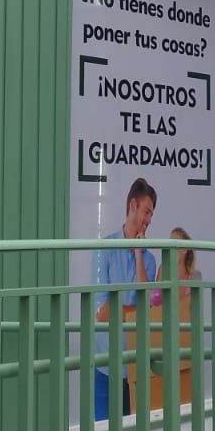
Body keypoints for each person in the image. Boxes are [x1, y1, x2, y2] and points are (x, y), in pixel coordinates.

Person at [92, 178, 158, 417]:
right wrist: (133, 310)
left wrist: (139, 255)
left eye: (152, 215)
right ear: (132, 205)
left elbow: (148, 309)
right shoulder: (105, 248)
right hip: (105, 366)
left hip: (136, 368)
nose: (149, 220)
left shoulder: (149, 260)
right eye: (146, 212)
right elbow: (100, 312)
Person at [126, 228, 200, 412]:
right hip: (159, 337)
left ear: (184, 250)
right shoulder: (162, 269)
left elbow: (185, 307)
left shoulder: (194, 276)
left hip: (179, 342)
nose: (169, 247)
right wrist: (139, 253)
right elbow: (149, 295)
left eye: (174, 243)